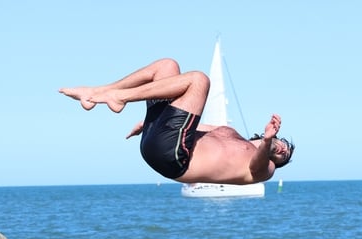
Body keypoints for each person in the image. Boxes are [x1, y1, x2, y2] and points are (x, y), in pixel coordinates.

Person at [59, 58, 294, 185]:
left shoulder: (266, 168)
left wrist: (268, 140)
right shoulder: (229, 131)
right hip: (160, 138)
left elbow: (257, 165)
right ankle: (99, 92)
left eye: (284, 155)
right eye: (284, 144)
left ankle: (117, 96)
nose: (283, 149)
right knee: (167, 66)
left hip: (174, 158)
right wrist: (146, 123)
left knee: (199, 80)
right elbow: (193, 126)